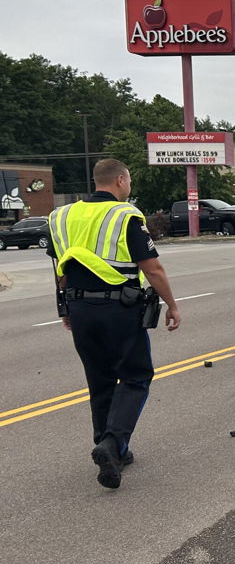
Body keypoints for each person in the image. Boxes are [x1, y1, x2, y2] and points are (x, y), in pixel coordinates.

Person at [46, 159, 181, 490]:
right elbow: (152, 269)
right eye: (130, 180)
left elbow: (61, 267)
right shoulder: (125, 215)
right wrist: (172, 304)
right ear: (120, 180)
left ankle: (112, 451)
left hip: (79, 307)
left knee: (100, 378)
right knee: (136, 376)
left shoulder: (60, 216)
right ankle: (112, 443)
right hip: (118, 309)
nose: (130, 186)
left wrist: (65, 308)